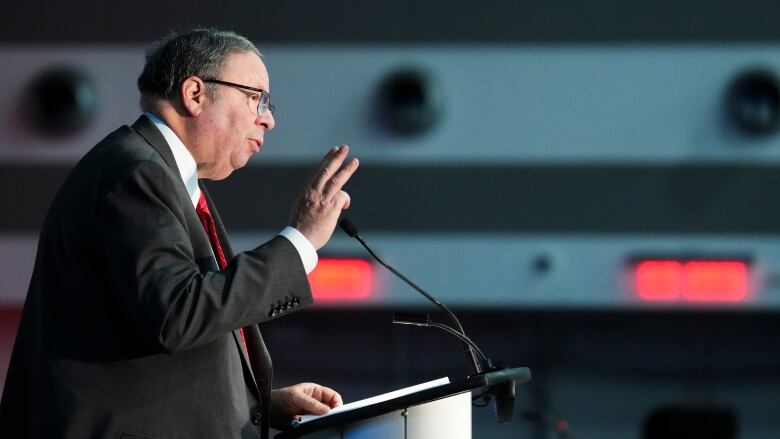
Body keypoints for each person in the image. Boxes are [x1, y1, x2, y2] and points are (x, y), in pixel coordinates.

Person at [0, 28, 359, 439]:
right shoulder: (136, 173)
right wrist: (301, 241)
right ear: (194, 94)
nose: (269, 117)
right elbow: (178, 314)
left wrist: (255, 406)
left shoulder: (157, 173)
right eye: (255, 96)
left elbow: (153, 337)